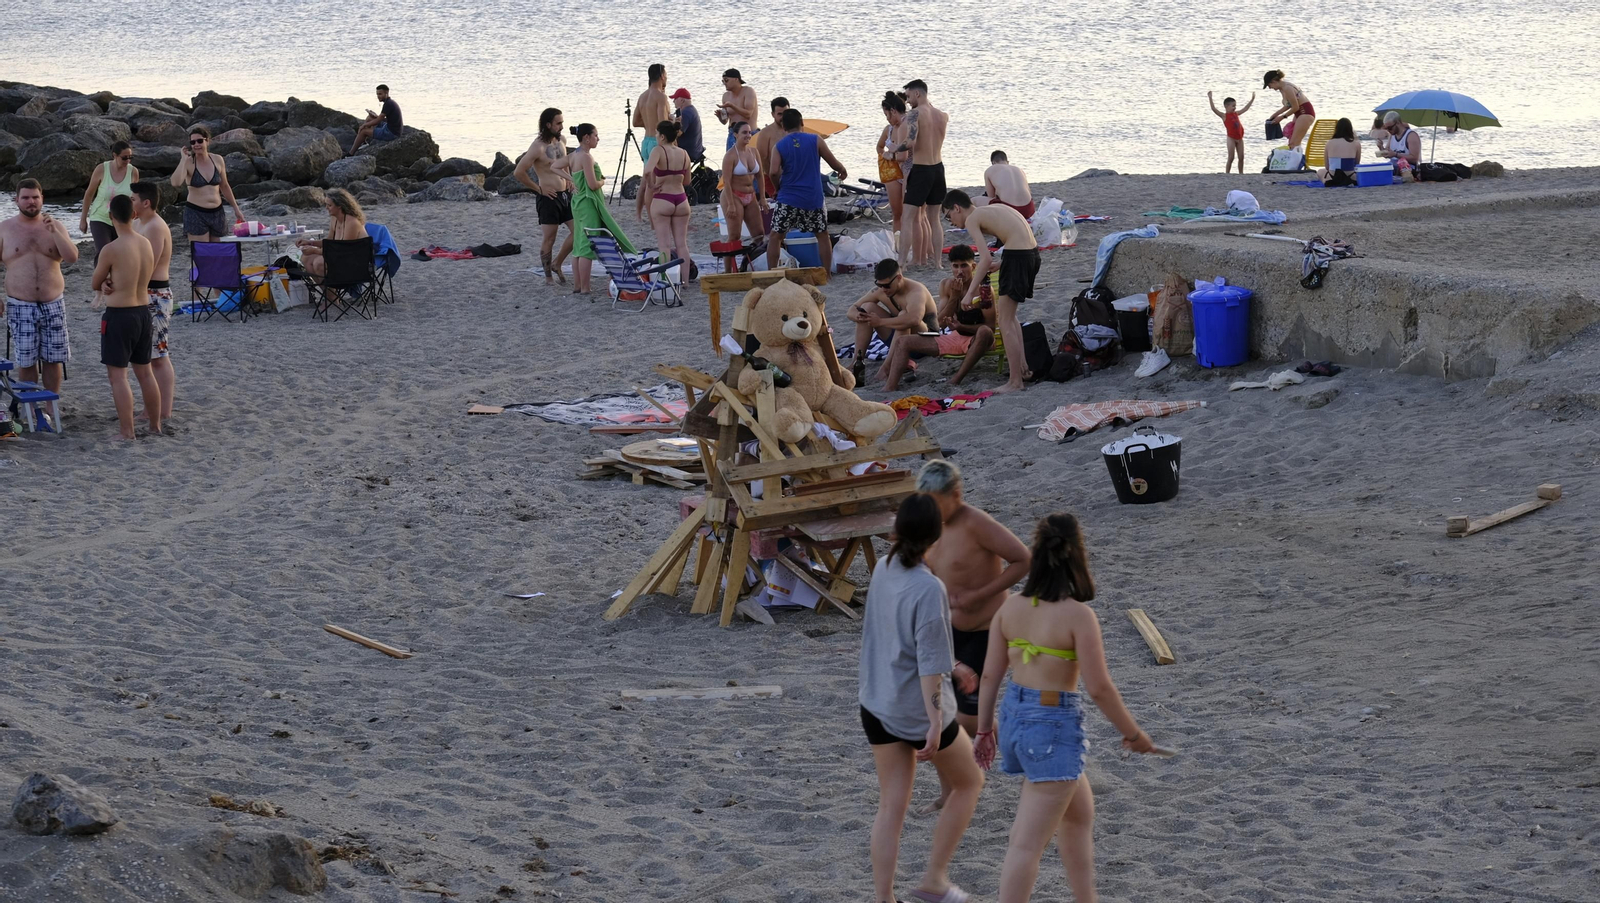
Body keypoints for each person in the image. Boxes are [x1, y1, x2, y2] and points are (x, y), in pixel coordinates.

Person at [973, 513, 1158, 903]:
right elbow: (1099, 688)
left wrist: (984, 730)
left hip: (1015, 720)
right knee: (1025, 844)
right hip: (1052, 728)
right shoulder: (1078, 616)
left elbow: (989, 675)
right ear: (1077, 557)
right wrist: (1133, 733)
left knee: (1078, 815)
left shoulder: (1010, 608)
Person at [859, 492, 984, 903]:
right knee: (969, 782)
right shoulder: (928, 587)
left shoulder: (884, 566)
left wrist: (954, 664)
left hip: (876, 703)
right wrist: (934, 724)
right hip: (916, 710)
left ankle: (884, 899)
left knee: (890, 808)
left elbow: (912, 639)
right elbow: (928, 666)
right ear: (936, 536)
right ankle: (934, 879)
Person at [941, 190, 1038, 394]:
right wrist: (1003, 263)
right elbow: (1020, 236)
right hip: (1030, 255)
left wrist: (969, 293)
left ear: (956, 208)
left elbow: (984, 259)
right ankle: (1023, 368)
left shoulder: (972, 218)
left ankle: (1015, 382)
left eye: (949, 216)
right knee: (1011, 317)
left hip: (1018, 256)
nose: (951, 222)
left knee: (1005, 320)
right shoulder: (991, 209)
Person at [0, 179, 78, 426]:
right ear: (16, 200)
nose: (31, 202)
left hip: (53, 302)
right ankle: (31, 407)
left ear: (42, 199)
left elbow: (72, 257)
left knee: (53, 358)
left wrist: (55, 231)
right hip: (20, 303)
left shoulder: (56, 226)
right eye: (25, 198)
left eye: (35, 197)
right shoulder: (5, 229)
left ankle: (50, 404)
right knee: (26, 359)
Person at [92, 194, 160, 441]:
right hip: (143, 312)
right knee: (146, 373)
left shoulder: (111, 249)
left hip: (120, 315)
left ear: (111, 217)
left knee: (118, 376)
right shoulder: (146, 244)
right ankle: (155, 426)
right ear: (133, 215)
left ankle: (127, 432)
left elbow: (95, 282)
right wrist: (112, 281)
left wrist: (105, 282)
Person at [886, 243, 1001, 388]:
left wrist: (961, 326)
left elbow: (990, 327)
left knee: (984, 332)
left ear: (973, 267)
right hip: (955, 337)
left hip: (978, 340)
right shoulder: (946, 285)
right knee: (902, 341)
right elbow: (939, 323)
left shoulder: (983, 290)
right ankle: (889, 387)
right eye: (955, 266)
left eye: (964, 266)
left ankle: (956, 379)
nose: (959, 271)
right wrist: (954, 297)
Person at [766, 109, 846, 273]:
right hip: (812, 199)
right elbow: (833, 163)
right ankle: (826, 274)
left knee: (776, 236)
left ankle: (772, 272)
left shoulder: (779, 146)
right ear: (802, 123)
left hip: (788, 199)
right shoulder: (816, 140)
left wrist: (778, 188)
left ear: (783, 127)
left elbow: (773, 172)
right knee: (822, 235)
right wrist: (842, 170)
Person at [845, 258, 938, 388]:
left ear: (899, 278)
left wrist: (880, 322)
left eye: (887, 285)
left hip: (925, 342)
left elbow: (914, 319)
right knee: (866, 308)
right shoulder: (881, 291)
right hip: (898, 340)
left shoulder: (916, 291)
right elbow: (851, 310)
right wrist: (859, 316)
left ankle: (886, 368)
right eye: (880, 285)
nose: (884, 289)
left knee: (904, 315)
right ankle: (856, 362)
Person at [566, 123, 636, 296]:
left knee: (578, 244)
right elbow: (592, 184)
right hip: (588, 204)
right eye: (596, 135)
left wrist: (570, 179)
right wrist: (603, 181)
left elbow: (554, 166)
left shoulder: (573, 155)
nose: (598, 139)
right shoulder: (586, 157)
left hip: (577, 203)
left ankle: (577, 285)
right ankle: (585, 287)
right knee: (587, 246)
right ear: (586, 138)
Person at [130, 182, 176, 425]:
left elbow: (149, 264)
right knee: (145, 356)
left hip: (156, 295)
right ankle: (151, 407)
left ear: (145, 202)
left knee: (158, 355)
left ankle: (163, 410)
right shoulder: (138, 223)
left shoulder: (156, 226)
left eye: (133, 199)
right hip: (142, 293)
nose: (131, 203)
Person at [513, 108, 575, 285]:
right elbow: (518, 172)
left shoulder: (562, 140)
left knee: (578, 231)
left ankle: (557, 263)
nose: (562, 126)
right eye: (558, 123)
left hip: (565, 195)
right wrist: (539, 189)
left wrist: (568, 178)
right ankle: (548, 277)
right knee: (550, 238)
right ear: (548, 125)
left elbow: (564, 162)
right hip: (548, 198)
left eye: (562, 122)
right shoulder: (537, 147)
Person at [897, 79, 949, 269]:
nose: (908, 101)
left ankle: (901, 263)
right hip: (938, 169)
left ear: (917, 93)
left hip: (921, 169)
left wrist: (894, 148)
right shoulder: (942, 115)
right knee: (934, 219)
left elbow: (910, 142)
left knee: (907, 218)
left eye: (909, 96)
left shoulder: (915, 114)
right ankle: (938, 263)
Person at [170, 126, 244, 246]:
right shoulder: (188, 162)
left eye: (200, 141)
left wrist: (236, 209)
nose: (196, 145)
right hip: (196, 213)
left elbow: (224, 186)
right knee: (202, 252)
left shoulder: (218, 159)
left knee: (217, 251)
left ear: (207, 141)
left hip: (217, 212)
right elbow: (175, 183)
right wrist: (183, 159)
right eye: (193, 142)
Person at [639, 120, 692, 274]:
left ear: (662, 136)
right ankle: (685, 282)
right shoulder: (684, 153)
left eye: (656, 134)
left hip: (663, 198)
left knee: (664, 246)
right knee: (682, 245)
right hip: (681, 199)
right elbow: (687, 181)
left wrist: (651, 185)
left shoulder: (658, 150)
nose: (656, 136)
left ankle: (666, 280)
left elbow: (647, 171)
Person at [79, 141, 139, 255]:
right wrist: (83, 219)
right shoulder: (101, 169)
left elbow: (134, 197)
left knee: (121, 254)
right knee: (104, 252)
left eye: (130, 157)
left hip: (122, 220)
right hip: (100, 217)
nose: (128, 161)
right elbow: (89, 194)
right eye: (124, 158)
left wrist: (137, 217)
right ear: (115, 155)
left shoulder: (133, 172)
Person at [296, 188, 368, 278]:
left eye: (329, 205)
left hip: (354, 260)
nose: (326, 208)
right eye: (326, 204)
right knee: (305, 258)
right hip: (339, 255)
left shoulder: (352, 222)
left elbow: (343, 249)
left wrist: (315, 250)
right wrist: (309, 243)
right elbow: (329, 242)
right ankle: (325, 287)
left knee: (319, 263)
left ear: (339, 206)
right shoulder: (334, 219)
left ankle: (331, 287)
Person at [877, 92, 912, 263]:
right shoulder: (889, 129)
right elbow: (879, 147)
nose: (887, 119)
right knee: (897, 212)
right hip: (893, 172)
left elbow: (906, 154)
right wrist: (885, 156)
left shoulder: (907, 126)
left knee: (911, 213)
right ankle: (898, 246)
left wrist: (893, 155)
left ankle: (911, 246)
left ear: (893, 111)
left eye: (887, 115)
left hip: (908, 171)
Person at [719, 121, 766, 246]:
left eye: (750, 132)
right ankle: (729, 260)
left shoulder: (754, 152)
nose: (748, 135)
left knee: (759, 234)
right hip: (733, 195)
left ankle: (751, 257)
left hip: (750, 195)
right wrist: (730, 204)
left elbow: (760, 176)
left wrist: (762, 198)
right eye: (744, 132)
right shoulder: (730, 156)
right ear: (735, 134)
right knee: (734, 235)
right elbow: (726, 182)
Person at [1263, 70, 1315, 151]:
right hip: (1300, 113)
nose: (1270, 88)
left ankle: (1297, 158)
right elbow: (1288, 105)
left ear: (1273, 81)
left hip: (1305, 112)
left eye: (1269, 85)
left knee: (1294, 143)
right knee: (1291, 142)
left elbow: (1295, 107)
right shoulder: (1282, 88)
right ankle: (1295, 157)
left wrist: (1282, 117)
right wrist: (1275, 115)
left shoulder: (1287, 88)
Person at [1207, 91, 1255, 174]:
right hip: (1231, 138)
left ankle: (1241, 173)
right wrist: (1210, 97)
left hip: (1239, 138)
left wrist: (1252, 99)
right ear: (1226, 106)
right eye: (1233, 106)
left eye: (1235, 106)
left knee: (1241, 157)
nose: (1235, 108)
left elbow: (1245, 108)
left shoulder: (1236, 113)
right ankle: (1227, 173)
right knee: (1231, 157)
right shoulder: (1224, 116)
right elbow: (1214, 109)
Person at [633, 63, 672, 162]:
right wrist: (673, 122)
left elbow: (635, 122)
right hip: (657, 142)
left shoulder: (642, 96)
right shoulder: (661, 97)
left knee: (648, 171)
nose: (666, 78)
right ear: (662, 76)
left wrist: (649, 123)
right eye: (666, 75)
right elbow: (663, 124)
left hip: (646, 142)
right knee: (662, 171)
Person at [351, 85, 403, 154]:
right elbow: (385, 118)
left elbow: (378, 121)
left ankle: (351, 153)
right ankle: (364, 142)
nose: (378, 96)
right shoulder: (390, 102)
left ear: (386, 93)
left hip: (391, 133)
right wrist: (375, 116)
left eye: (380, 94)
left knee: (363, 131)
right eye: (377, 94)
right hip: (390, 127)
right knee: (370, 118)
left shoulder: (388, 104)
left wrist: (364, 125)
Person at [983, 151, 1035, 220]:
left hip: (1010, 210)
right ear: (1007, 162)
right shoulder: (1019, 169)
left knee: (974, 200)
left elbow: (991, 197)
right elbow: (1029, 192)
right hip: (1028, 209)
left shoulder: (990, 170)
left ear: (993, 162)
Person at [755, 97, 789, 199]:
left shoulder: (794, 130)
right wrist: (775, 182)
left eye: (786, 113)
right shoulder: (766, 133)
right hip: (772, 178)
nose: (783, 117)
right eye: (780, 114)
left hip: (791, 177)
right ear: (773, 114)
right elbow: (763, 160)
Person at [715, 69, 758, 151]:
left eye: (726, 80)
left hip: (749, 133)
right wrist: (720, 117)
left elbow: (748, 114)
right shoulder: (726, 96)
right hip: (733, 133)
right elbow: (725, 121)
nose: (724, 83)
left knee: (749, 158)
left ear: (736, 79)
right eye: (723, 81)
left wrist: (732, 106)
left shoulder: (748, 91)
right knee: (731, 158)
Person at [1319, 118, 1363, 186]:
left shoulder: (1329, 143)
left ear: (1336, 129)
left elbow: (1327, 166)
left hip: (1333, 175)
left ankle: (1326, 181)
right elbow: (1357, 164)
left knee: (1320, 171)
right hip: (1350, 176)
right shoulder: (1356, 144)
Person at [671, 89, 705, 165]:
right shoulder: (691, 110)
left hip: (688, 151)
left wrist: (671, 123)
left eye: (675, 99)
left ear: (682, 100)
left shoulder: (685, 113)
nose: (673, 101)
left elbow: (678, 133)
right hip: (696, 150)